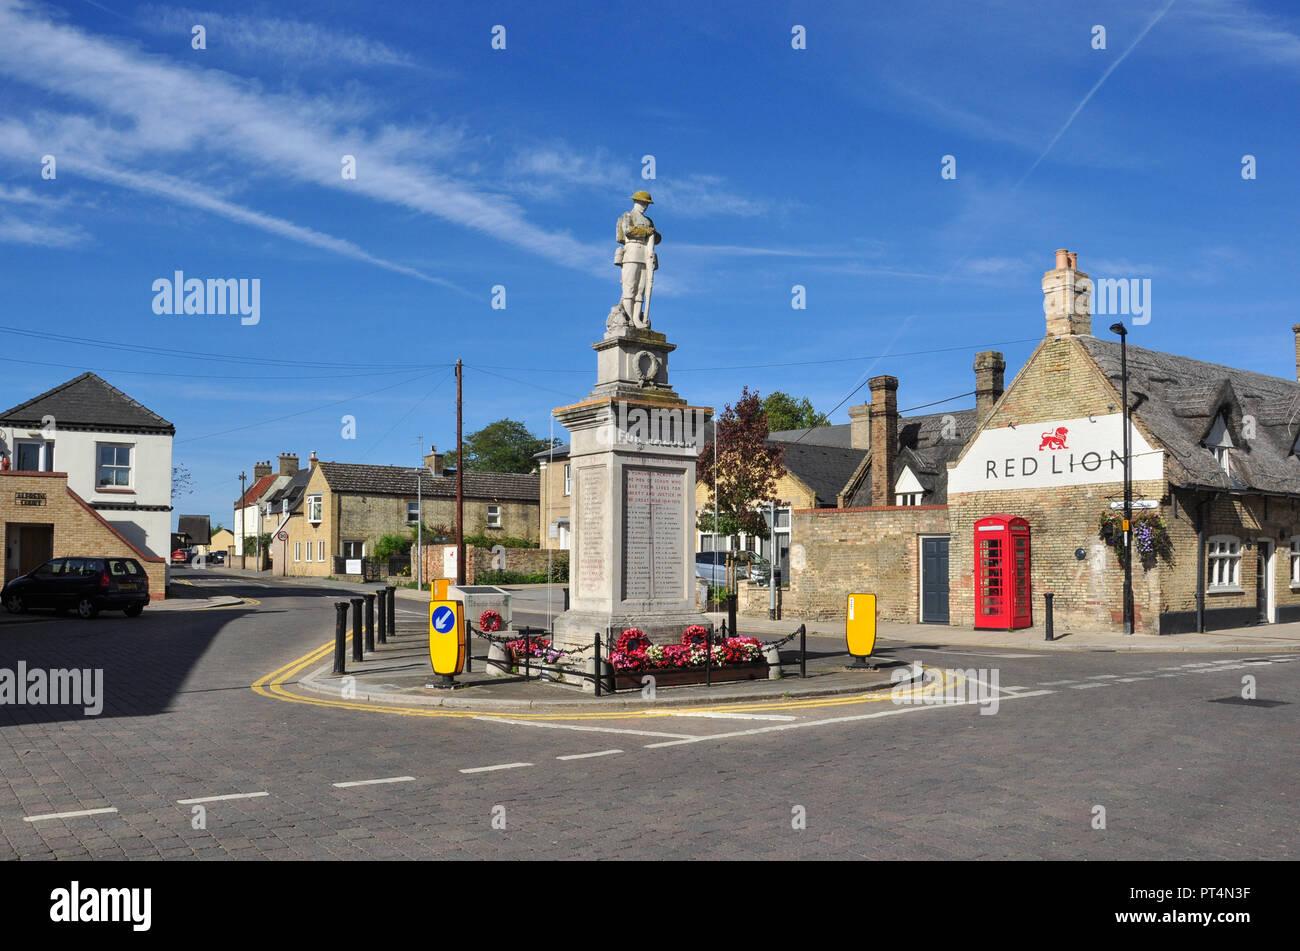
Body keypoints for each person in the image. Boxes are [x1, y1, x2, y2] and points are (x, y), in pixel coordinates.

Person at [613, 190, 661, 328]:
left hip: (645, 254)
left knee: (641, 288)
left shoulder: (648, 221)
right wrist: (648, 232)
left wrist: (652, 235)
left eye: (647, 204)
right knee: (630, 287)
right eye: (643, 203)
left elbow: (657, 237)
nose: (645, 206)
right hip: (632, 252)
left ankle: (636, 318)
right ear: (636, 202)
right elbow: (629, 230)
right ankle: (628, 318)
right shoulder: (628, 216)